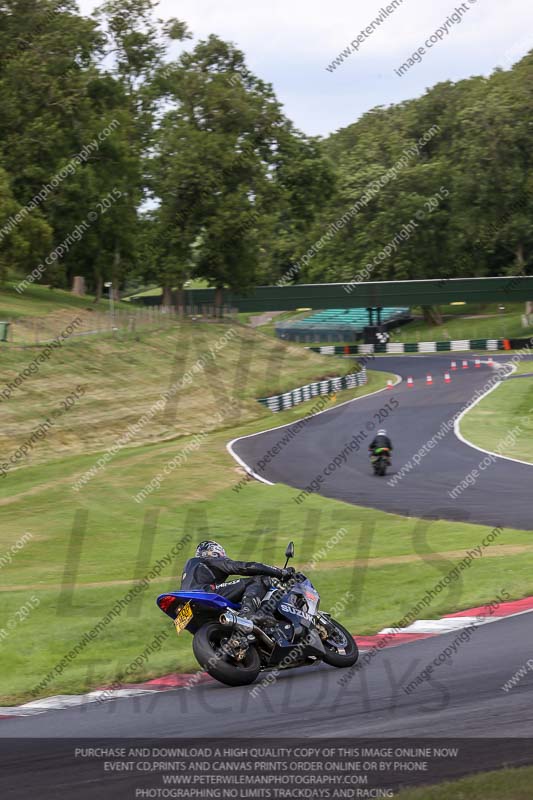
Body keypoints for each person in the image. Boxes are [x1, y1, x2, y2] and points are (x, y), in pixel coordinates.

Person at [180, 540, 294, 620]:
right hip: (204, 594)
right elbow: (244, 567)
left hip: (188, 605)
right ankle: (247, 614)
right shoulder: (209, 561)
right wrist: (280, 572)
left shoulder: (190, 568)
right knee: (258, 580)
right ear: (214, 552)